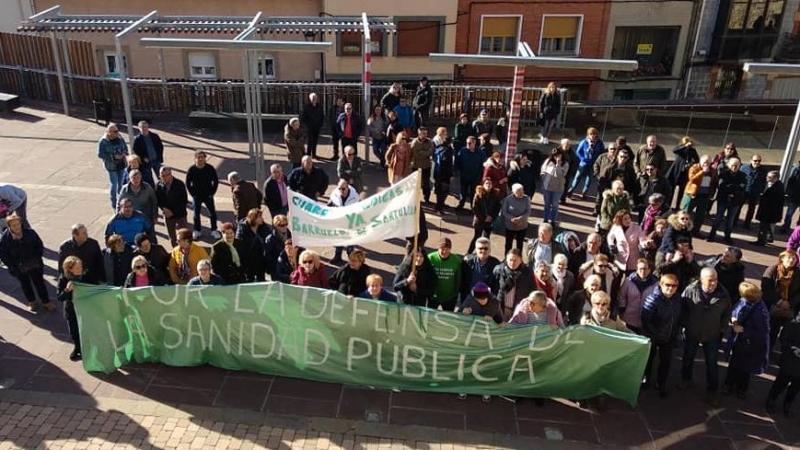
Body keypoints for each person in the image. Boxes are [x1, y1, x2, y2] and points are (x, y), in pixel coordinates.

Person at [678, 267, 732, 406]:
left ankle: (712, 390)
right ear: (701, 280)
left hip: (712, 334)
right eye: (710, 280)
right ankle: (686, 379)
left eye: (715, 280)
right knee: (688, 357)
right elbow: (682, 308)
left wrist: (722, 329)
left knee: (712, 363)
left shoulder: (723, 294)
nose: (713, 283)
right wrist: (686, 324)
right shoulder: (690, 290)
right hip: (692, 332)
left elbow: (727, 313)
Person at [723, 282, 770, 399]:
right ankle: (729, 384)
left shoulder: (760, 312)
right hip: (739, 341)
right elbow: (736, 309)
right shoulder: (745, 301)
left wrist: (743, 330)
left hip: (749, 344)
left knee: (745, 369)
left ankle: (741, 388)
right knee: (734, 364)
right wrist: (733, 318)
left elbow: (762, 333)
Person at [641, 273, 683, 397]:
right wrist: (654, 334)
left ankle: (661, 383)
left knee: (665, 362)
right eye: (667, 285)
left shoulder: (677, 299)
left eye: (674, 286)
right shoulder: (653, 299)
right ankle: (645, 380)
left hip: (669, 336)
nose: (670, 288)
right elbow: (645, 319)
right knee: (648, 360)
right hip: (653, 336)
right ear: (661, 284)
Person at [0, 214, 51, 312]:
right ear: (9, 226)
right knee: (25, 284)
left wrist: (36, 258)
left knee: (40, 283)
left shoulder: (30, 233)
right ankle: (31, 301)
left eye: (18, 224)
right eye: (14, 225)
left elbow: (39, 245)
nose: (17, 227)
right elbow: (3, 254)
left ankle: (46, 302)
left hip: (34, 264)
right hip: (18, 267)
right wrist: (12, 265)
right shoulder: (5, 239)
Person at [57, 256, 99, 361]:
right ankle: (77, 348)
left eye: (80, 266)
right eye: (77, 268)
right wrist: (67, 290)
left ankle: (89, 348)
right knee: (74, 332)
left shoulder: (86, 274)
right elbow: (60, 297)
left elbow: (95, 286)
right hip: (72, 310)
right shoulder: (63, 279)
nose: (80, 269)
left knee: (87, 330)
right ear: (70, 269)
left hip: (86, 308)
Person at [762, 250, 800, 352]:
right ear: (782, 258)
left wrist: (790, 303)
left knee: (787, 331)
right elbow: (766, 287)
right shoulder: (772, 270)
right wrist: (779, 301)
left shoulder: (798, 273)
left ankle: (785, 352)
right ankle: (767, 349)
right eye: (789, 258)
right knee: (770, 329)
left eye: (794, 258)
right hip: (771, 305)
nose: (791, 260)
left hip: (789, 307)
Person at [765, 311, 800, 417]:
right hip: (789, 359)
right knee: (781, 382)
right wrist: (793, 349)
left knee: (796, 387)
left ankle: (788, 403)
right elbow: (783, 338)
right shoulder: (792, 325)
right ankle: (771, 400)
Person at [708, 158, 747, 244]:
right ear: (729, 165)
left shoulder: (742, 176)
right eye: (733, 165)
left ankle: (727, 236)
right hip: (723, 199)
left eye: (737, 165)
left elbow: (742, 187)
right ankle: (712, 234)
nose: (734, 167)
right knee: (718, 217)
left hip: (735, 201)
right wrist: (735, 187)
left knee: (730, 219)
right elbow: (722, 185)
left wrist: (731, 186)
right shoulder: (723, 174)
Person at [185, 150, 220, 240]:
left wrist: (212, 193)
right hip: (197, 196)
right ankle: (197, 230)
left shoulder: (210, 168)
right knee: (196, 214)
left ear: (205, 158)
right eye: (198, 157)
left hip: (208, 195)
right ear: (195, 159)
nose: (200, 159)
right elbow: (188, 183)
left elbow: (215, 181)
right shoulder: (192, 170)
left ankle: (214, 230)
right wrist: (193, 194)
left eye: (202, 157)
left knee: (212, 213)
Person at [617, 258, 658, 334]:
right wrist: (622, 308)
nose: (643, 271)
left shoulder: (655, 284)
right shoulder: (629, 281)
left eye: (645, 269)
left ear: (649, 269)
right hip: (629, 318)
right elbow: (621, 295)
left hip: (646, 320)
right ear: (636, 269)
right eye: (640, 269)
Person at [494, 248, 535, 321]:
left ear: (520, 260)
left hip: (519, 309)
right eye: (510, 260)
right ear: (506, 259)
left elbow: (532, 290)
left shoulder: (527, 273)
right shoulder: (499, 270)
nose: (512, 263)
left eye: (515, 260)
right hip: (502, 308)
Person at [681, 155, 717, 237]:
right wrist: (702, 172)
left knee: (700, 216)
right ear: (700, 162)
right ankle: (682, 230)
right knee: (685, 214)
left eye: (708, 162)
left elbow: (714, 183)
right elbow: (692, 179)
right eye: (704, 162)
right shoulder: (694, 168)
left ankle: (695, 231)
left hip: (704, 196)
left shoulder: (713, 171)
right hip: (692, 195)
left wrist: (712, 194)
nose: (706, 164)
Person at [155, 166, 189, 247]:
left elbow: (184, 201)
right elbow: (158, 200)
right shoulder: (158, 185)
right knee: (172, 237)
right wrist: (163, 209)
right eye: (162, 176)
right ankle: (175, 250)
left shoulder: (179, 184)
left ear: (170, 174)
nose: (164, 178)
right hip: (167, 215)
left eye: (166, 175)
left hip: (180, 214)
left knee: (185, 235)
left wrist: (172, 212)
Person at [96, 123, 128, 209]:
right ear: (109, 132)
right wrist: (113, 156)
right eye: (115, 131)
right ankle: (114, 203)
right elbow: (100, 154)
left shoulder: (120, 138)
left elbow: (125, 147)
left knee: (121, 184)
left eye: (117, 130)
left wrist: (124, 153)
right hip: (111, 166)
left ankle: (121, 201)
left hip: (121, 164)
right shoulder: (103, 141)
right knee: (114, 184)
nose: (117, 132)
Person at [567, 127, 604, 199]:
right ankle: (570, 191)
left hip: (593, 164)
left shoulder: (599, 142)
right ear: (588, 134)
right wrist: (583, 158)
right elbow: (578, 152)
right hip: (583, 163)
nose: (593, 136)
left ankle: (584, 193)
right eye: (591, 134)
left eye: (594, 134)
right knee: (577, 177)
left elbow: (602, 152)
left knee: (589, 179)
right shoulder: (584, 142)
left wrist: (598, 161)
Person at [328, 179, 359, 265]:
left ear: (347, 188)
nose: (341, 191)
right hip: (339, 223)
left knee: (350, 243)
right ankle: (337, 256)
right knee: (339, 240)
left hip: (350, 223)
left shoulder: (355, 198)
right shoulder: (335, 196)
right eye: (339, 188)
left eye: (343, 189)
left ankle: (351, 259)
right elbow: (329, 206)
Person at [607, 209, 647, 274]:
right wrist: (611, 245)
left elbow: (642, 240)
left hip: (633, 259)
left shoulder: (637, 228)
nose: (628, 220)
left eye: (629, 218)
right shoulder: (616, 227)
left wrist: (644, 245)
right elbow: (610, 237)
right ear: (620, 220)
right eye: (625, 219)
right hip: (620, 258)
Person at [428, 237, 462, 311]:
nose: (444, 251)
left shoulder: (456, 259)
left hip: (449, 297)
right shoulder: (430, 258)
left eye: (447, 249)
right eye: (442, 249)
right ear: (438, 249)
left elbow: (459, 277)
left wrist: (456, 293)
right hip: (433, 296)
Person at [235, 208, 269, 282]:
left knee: (261, 280)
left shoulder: (263, 227)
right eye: (259, 217)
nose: (262, 218)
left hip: (260, 258)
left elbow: (269, 235)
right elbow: (239, 243)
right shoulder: (243, 228)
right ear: (253, 218)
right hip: (248, 260)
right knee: (249, 280)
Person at [467, 179, 500, 254]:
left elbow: (498, 207)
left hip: (490, 221)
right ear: (483, 185)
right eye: (486, 183)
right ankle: (469, 253)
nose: (488, 185)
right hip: (480, 220)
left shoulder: (495, 194)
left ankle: (484, 253)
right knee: (477, 237)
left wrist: (492, 217)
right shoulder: (478, 194)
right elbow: (475, 208)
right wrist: (484, 218)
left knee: (486, 239)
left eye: (490, 183)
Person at [666, 136, 699, 210]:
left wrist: (692, 164)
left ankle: (677, 206)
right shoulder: (679, 148)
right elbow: (674, 150)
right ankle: (668, 206)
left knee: (681, 190)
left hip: (685, 173)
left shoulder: (692, 150)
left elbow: (697, 160)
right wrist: (684, 146)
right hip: (676, 171)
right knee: (671, 189)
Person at [754, 171, 785, 245]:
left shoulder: (778, 187)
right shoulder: (768, 184)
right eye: (767, 176)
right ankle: (768, 238)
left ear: (776, 178)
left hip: (769, 211)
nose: (767, 178)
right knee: (766, 226)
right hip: (765, 210)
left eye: (769, 177)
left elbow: (774, 200)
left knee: (764, 227)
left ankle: (761, 241)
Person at [454, 136, 485, 211]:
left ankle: (473, 206)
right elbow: (457, 161)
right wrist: (456, 171)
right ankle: (461, 204)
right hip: (464, 175)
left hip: (475, 177)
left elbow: (483, 163)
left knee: (473, 193)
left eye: (470, 143)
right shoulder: (462, 150)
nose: (468, 144)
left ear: (474, 143)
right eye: (467, 143)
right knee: (463, 191)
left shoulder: (480, 152)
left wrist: (480, 175)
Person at [540, 148, 569, 225]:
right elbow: (542, 170)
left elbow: (560, 174)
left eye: (559, 155)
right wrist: (543, 178)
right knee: (547, 205)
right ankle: (545, 219)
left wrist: (558, 164)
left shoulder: (565, 164)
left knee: (555, 205)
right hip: (547, 187)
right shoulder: (548, 161)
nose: (557, 157)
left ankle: (553, 221)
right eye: (555, 156)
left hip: (558, 189)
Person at [502, 183, 531, 254]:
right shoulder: (508, 199)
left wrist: (520, 218)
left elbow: (528, 211)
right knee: (508, 244)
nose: (521, 193)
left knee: (520, 244)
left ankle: (519, 259)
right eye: (519, 192)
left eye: (522, 191)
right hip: (510, 225)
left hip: (522, 225)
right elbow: (504, 212)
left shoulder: (526, 199)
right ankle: (507, 258)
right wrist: (512, 218)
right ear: (513, 192)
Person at [741, 154, 768, 230]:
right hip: (744, 191)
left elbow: (764, 181)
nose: (757, 162)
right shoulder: (744, 168)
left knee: (751, 208)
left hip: (755, 192)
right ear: (751, 161)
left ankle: (747, 223)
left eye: (759, 161)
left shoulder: (763, 170)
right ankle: (734, 221)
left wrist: (761, 190)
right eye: (755, 160)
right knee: (738, 206)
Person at [432, 127, 455, 213]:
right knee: (444, 192)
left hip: (437, 173)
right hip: (444, 176)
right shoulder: (447, 151)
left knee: (439, 192)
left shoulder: (439, 148)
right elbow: (448, 165)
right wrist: (451, 174)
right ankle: (440, 208)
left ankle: (437, 206)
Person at [410, 127, 434, 203]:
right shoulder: (415, 142)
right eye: (423, 133)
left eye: (426, 133)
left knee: (426, 184)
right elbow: (415, 154)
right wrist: (424, 153)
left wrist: (421, 152)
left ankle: (426, 199)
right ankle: (415, 198)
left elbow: (430, 152)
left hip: (426, 166)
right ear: (419, 133)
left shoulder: (430, 142)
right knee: (416, 184)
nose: (425, 135)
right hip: (416, 166)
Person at [264, 215, 292, 280]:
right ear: (276, 226)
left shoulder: (290, 234)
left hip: (288, 268)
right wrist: (271, 270)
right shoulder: (270, 239)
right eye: (282, 225)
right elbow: (268, 257)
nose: (285, 227)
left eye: (286, 224)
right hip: (276, 269)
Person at [301, 93, 324, 159]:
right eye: (313, 98)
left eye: (315, 98)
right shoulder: (307, 107)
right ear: (310, 99)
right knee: (310, 141)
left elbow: (322, 116)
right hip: (310, 127)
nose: (314, 100)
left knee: (315, 141)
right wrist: (308, 125)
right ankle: (308, 154)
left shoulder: (320, 106)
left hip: (317, 127)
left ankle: (314, 154)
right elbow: (304, 118)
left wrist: (320, 124)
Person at [779, 159, 800, 233]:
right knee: (790, 213)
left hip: (795, 195)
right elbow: (790, 181)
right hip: (794, 196)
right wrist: (790, 193)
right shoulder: (796, 170)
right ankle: (786, 227)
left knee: (790, 212)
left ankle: (797, 229)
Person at [559, 139, 578, 206]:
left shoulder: (572, 153)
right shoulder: (557, 151)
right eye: (565, 144)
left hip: (567, 173)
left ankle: (562, 199)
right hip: (557, 172)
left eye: (568, 144)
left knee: (565, 187)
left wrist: (571, 172)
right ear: (562, 144)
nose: (567, 146)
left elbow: (575, 163)